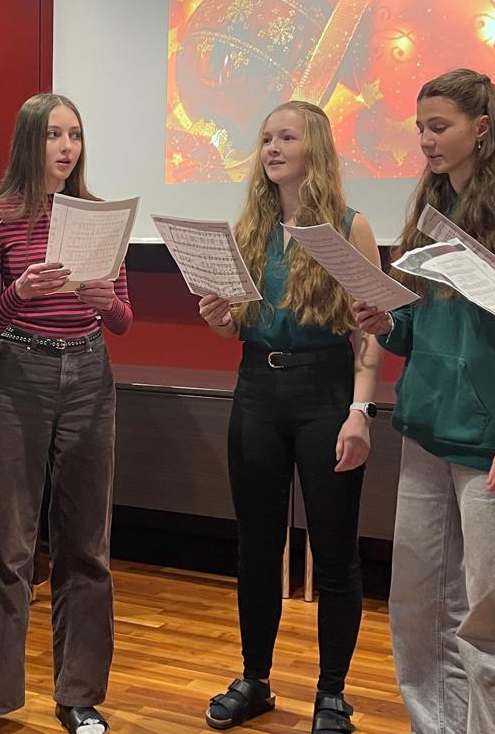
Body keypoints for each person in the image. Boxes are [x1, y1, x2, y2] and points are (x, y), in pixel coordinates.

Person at [357, 69, 495, 734]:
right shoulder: (432, 210)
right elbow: (419, 327)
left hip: (493, 445)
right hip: (426, 431)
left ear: (481, 128)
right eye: (420, 128)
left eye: (439, 126)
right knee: (419, 609)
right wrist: (385, 321)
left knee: (492, 620)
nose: (426, 140)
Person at [198, 100, 381, 734]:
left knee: (334, 552)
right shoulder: (249, 228)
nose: (273, 149)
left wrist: (360, 412)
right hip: (256, 388)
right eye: (266, 138)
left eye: (287, 138)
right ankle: (255, 679)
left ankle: (332, 695)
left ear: (316, 149)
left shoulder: (351, 227)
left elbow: (368, 332)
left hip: (326, 392)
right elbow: (236, 327)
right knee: (256, 547)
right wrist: (220, 320)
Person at [0, 93, 133, 734]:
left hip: (88, 373)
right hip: (19, 374)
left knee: (86, 545)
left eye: (75, 135)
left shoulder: (98, 216)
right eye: (54, 135)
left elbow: (123, 320)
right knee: (6, 546)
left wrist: (105, 300)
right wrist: (19, 292)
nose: (66, 147)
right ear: (28, 142)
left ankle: (79, 696)